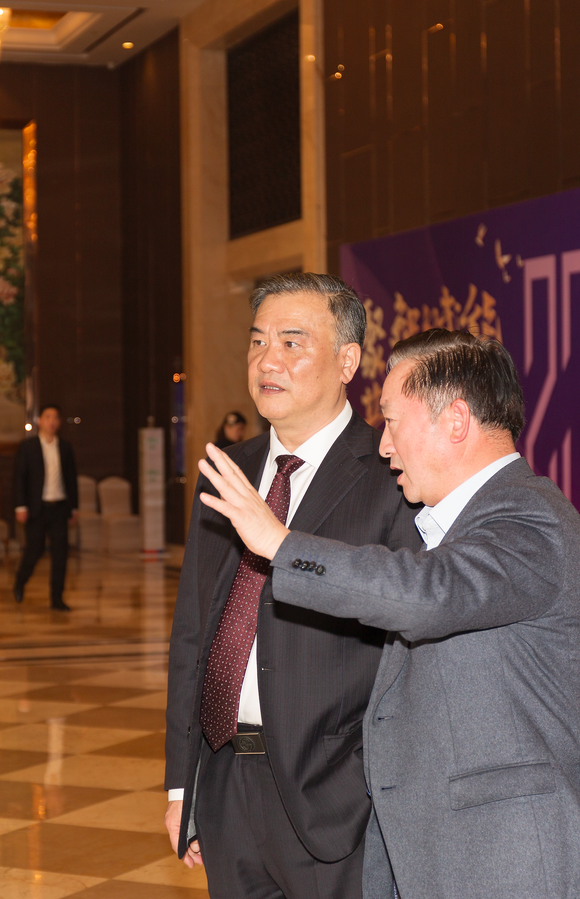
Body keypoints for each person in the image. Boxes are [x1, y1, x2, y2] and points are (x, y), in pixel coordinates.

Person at [197, 328, 580, 899]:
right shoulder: (455, 527)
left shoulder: (530, 518)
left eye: (393, 422)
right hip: (436, 850)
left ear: (455, 421)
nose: (383, 446)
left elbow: (426, 594)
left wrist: (280, 544)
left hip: (504, 857)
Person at [164, 273, 421, 899]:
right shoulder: (227, 472)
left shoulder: (391, 474)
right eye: (257, 342)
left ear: (347, 362)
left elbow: (412, 638)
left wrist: (371, 786)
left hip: (336, 801)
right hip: (225, 785)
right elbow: (194, 632)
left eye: (291, 342)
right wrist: (182, 785)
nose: (267, 361)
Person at [13, 404, 78, 612]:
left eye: (56, 417)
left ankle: (57, 598)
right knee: (34, 551)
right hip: (37, 508)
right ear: (39, 420)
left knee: (60, 555)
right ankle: (20, 582)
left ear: (59, 422)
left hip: (59, 507)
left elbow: (71, 479)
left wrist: (73, 508)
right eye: (48, 416)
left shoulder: (65, 447)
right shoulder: (28, 447)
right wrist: (20, 506)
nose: (52, 421)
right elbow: (19, 478)